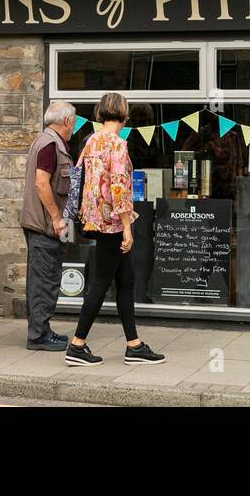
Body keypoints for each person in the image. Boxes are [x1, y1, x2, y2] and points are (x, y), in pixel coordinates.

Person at [66, 92, 165, 367]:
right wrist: (127, 229)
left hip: (94, 220)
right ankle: (77, 344)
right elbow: (120, 189)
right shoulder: (118, 145)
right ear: (124, 114)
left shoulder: (90, 141)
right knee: (99, 283)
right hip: (111, 224)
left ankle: (133, 345)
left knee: (127, 280)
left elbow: (81, 182)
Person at [21, 100, 76, 351]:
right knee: (44, 279)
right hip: (45, 225)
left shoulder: (47, 141)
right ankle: (39, 335)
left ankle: (41, 330)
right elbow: (41, 184)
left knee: (43, 278)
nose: (74, 126)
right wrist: (56, 218)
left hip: (43, 223)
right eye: (73, 121)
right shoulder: (50, 144)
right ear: (66, 121)